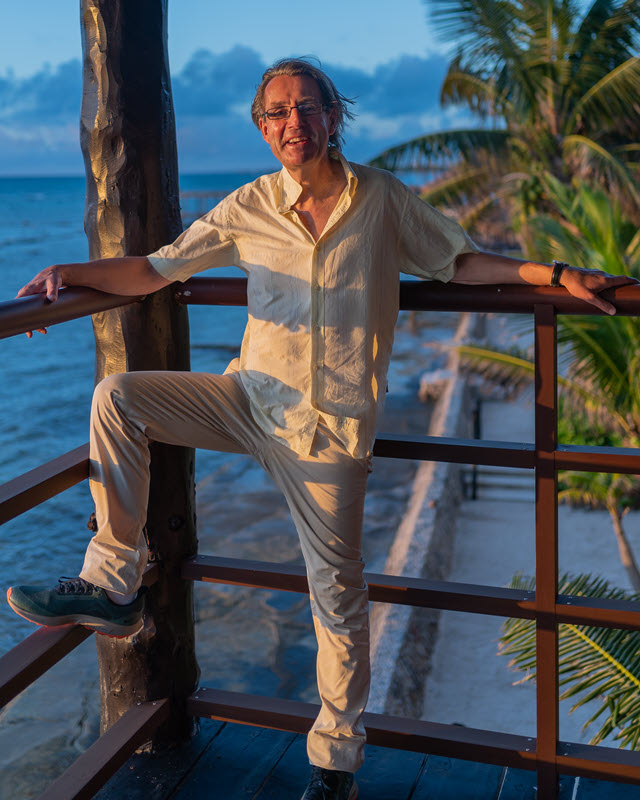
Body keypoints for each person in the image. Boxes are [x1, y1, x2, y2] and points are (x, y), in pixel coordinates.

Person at [6, 58, 635, 800]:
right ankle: (114, 584)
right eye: (275, 112)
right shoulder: (250, 205)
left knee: (335, 595)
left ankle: (335, 763)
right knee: (119, 397)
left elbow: (459, 262)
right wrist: (68, 274)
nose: (292, 123)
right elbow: (154, 271)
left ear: (335, 118)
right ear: (262, 126)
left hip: (328, 433)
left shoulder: (382, 201)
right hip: (248, 399)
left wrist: (556, 275)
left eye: (307, 108)